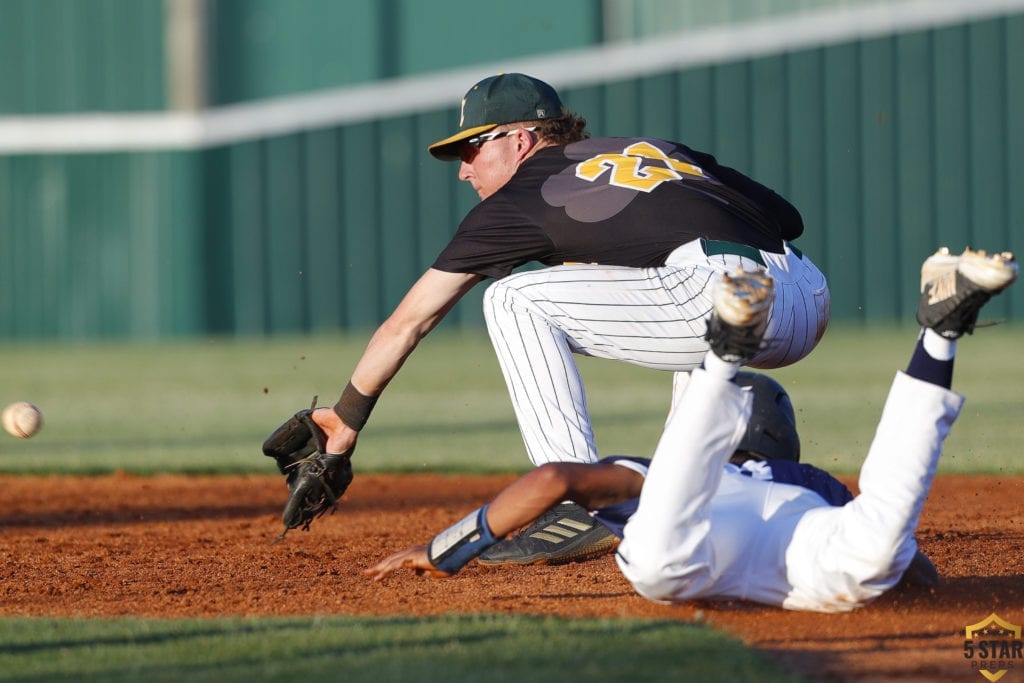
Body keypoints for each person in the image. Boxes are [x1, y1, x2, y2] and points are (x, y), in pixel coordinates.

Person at [305, 72, 830, 563]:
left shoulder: (521, 198)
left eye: (472, 147)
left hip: (712, 289)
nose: (464, 168)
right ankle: (684, 496)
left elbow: (409, 321)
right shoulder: (657, 150)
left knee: (512, 299)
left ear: (521, 139)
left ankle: (577, 502)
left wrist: (347, 415)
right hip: (805, 291)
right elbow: (789, 220)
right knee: (687, 330)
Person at [364, 246, 1017, 613]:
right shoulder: (814, 480)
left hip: (704, 542)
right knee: (877, 553)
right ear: (783, 437)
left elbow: (555, 476)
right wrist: (921, 577)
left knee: (659, 555)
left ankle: (724, 355)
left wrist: (446, 547)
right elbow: (907, 555)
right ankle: (937, 335)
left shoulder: (652, 472)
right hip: (806, 548)